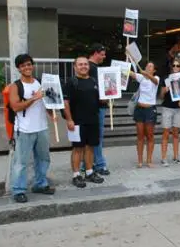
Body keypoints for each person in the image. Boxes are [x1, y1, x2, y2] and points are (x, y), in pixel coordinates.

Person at [9, 54, 56, 203]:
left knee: (43, 159)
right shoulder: (15, 86)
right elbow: (15, 106)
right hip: (24, 130)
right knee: (20, 162)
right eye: (23, 66)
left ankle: (40, 184)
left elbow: (47, 102)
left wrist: (51, 113)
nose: (27, 67)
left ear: (32, 65)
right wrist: (34, 98)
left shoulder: (40, 83)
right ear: (19, 68)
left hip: (42, 128)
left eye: (29, 64)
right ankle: (18, 190)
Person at [63, 56, 104, 188]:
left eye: (85, 64)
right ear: (75, 67)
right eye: (80, 64)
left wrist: (107, 98)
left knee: (90, 147)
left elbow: (98, 100)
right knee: (77, 149)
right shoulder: (71, 82)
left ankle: (89, 172)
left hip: (93, 120)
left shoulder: (94, 81)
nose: (83, 66)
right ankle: (76, 175)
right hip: (77, 121)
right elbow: (66, 102)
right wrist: (69, 119)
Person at [129, 61, 160, 168]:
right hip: (139, 109)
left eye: (151, 66)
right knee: (140, 136)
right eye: (147, 66)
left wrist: (145, 74)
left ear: (154, 70)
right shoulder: (141, 77)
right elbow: (130, 73)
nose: (148, 67)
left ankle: (149, 160)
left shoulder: (156, 78)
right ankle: (140, 160)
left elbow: (154, 80)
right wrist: (127, 62)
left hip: (150, 110)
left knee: (150, 136)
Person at [87, 43, 109, 176]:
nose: (104, 57)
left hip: (96, 106)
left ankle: (91, 163)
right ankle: (98, 164)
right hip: (96, 107)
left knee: (94, 137)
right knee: (96, 137)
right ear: (95, 53)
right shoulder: (92, 68)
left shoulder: (93, 68)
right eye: (102, 54)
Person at [160, 60, 180, 166]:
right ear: (171, 66)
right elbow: (161, 96)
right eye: (174, 65)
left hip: (178, 109)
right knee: (166, 133)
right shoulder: (166, 79)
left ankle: (176, 156)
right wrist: (164, 90)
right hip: (167, 108)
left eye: (178, 65)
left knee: (176, 133)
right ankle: (164, 158)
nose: (175, 67)